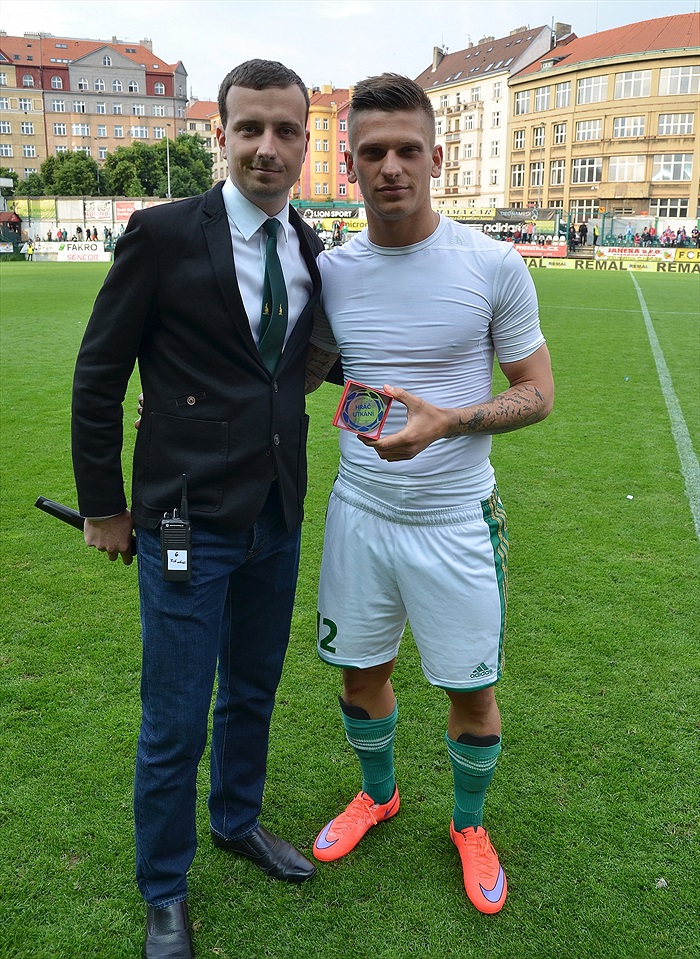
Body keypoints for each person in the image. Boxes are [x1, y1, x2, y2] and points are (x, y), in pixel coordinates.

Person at [72, 59, 326, 959]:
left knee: (252, 690)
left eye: (284, 130)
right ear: (219, 134)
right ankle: (165, 888)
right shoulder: (163, 234)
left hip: (276, 515)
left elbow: (290, 371)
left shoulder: (309, 248)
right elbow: (100, 374)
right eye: (248, 127)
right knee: (176, 711)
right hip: (181, 519)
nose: (266, 145)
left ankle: (237, 820)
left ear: (303, 140)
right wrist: (105, 504)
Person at [304, 74, 553, 915]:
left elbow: (536, 391)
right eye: (372, 152)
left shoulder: (492, 262)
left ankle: (469, 822)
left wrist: (449, 421)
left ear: (437, 156)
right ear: (349, 164)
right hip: (360, 513)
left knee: (469, 689)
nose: (391, 166)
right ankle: (378, 795)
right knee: (358, 676)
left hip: (455, 521)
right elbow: (288, 370)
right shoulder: (330, 271)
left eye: (408, 149)